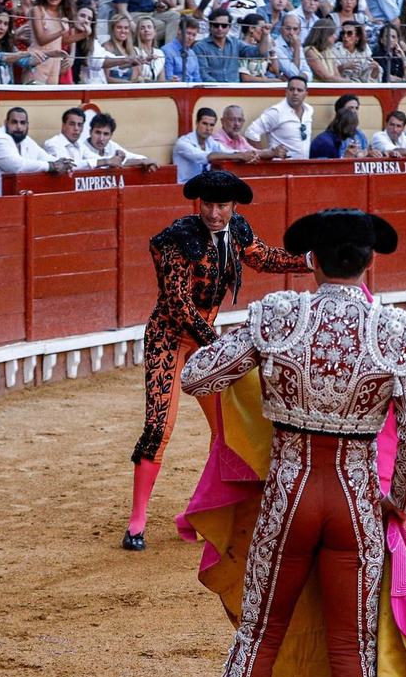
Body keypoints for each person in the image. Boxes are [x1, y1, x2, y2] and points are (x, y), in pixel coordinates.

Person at [179, 207, 406, 677]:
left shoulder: (277, 315)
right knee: (353, 645)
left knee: (261, 632)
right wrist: (400, 496)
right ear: (370, 263)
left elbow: (197, 376)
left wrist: (257, 360)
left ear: (311, 262)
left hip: (289, 490)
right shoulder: (397, 331)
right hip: (355, 499)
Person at [124, 169, 312, 550]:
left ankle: (201, 510)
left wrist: (309, 261)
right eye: (208, 204)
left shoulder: (238, 229)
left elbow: (266, 258)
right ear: (199, 204)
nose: (213, 212)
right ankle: (136, 521)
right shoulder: (178, 239)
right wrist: (217, 345)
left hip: (207, 341)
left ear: (232, 206)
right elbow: (177, 303)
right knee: (159, 427)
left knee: (228, 429)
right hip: (169, 339)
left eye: (221, 205)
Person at [0, 107, 71, 198]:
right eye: (14, 122)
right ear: (5, 123)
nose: (19, 127)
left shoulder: (25, 140)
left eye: (23, 123)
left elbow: (46, 157)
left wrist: (65, 163)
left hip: (2, 203)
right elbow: (17, 166)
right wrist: (52, 166)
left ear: (27, 125)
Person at [245, 76, 312, 159]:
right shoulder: (277, 112)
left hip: (304, 166)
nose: (295, 93)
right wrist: (264, 156)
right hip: (280, 167)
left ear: (306, 94)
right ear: (286, 92)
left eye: (299, 90)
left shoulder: (309, 110)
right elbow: (251, 132)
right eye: (291, 89)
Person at [84, 113, 155, 170]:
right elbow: (103, 164)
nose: (101, 138)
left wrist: (147, 161)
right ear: (90, 132)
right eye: (97, 132)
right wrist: (140, 162)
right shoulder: (83, 148)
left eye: (106, 134)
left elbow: (132, 156)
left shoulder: (111, 145)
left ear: (111, 136)